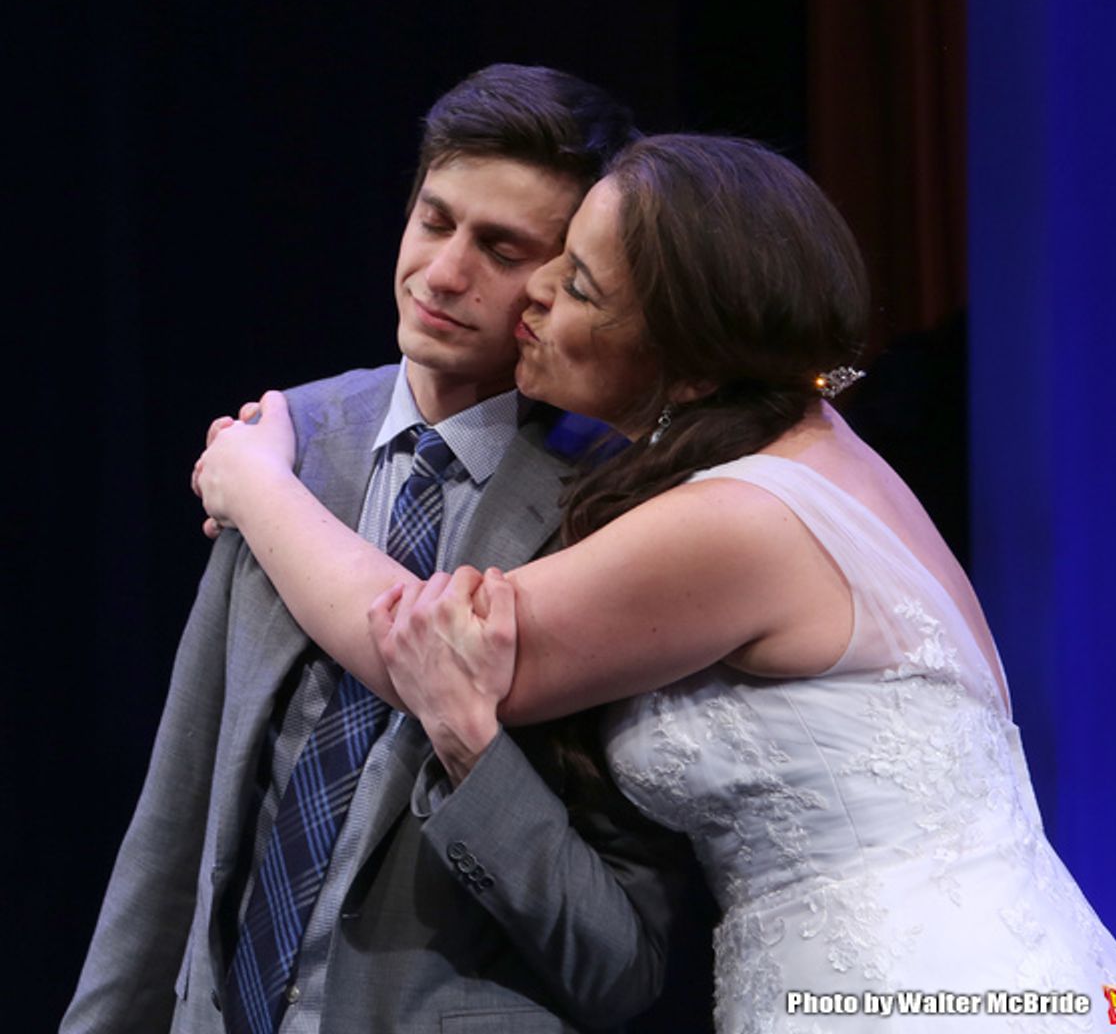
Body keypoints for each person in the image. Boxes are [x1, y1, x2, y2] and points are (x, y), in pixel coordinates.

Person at [193, 133, 1116, 1032]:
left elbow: (426, 640)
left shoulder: (743, 521)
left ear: (691, 363)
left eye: (579, 285)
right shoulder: (809, 460)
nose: (535, 295)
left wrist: (255, 483)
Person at [62, 65, 705, 1034]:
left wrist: (472, 753)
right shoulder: (290, 441)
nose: (444, 273)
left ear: (568, 281)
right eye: (435, 221)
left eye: (499, 248)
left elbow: (620, 965)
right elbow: (178, 814)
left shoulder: (610, 515)